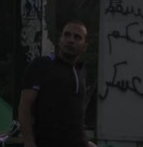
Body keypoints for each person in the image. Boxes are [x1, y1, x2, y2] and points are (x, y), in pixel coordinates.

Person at [18, 19, 93, 147]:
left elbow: (75, 117)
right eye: (67, 35)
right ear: (60, 40)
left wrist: (85, 142)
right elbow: (25, 106)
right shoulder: (41, 65)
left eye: (77, 37)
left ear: (84, 46)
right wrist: (29, 141)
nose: (71, 40)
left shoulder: (81, 71)